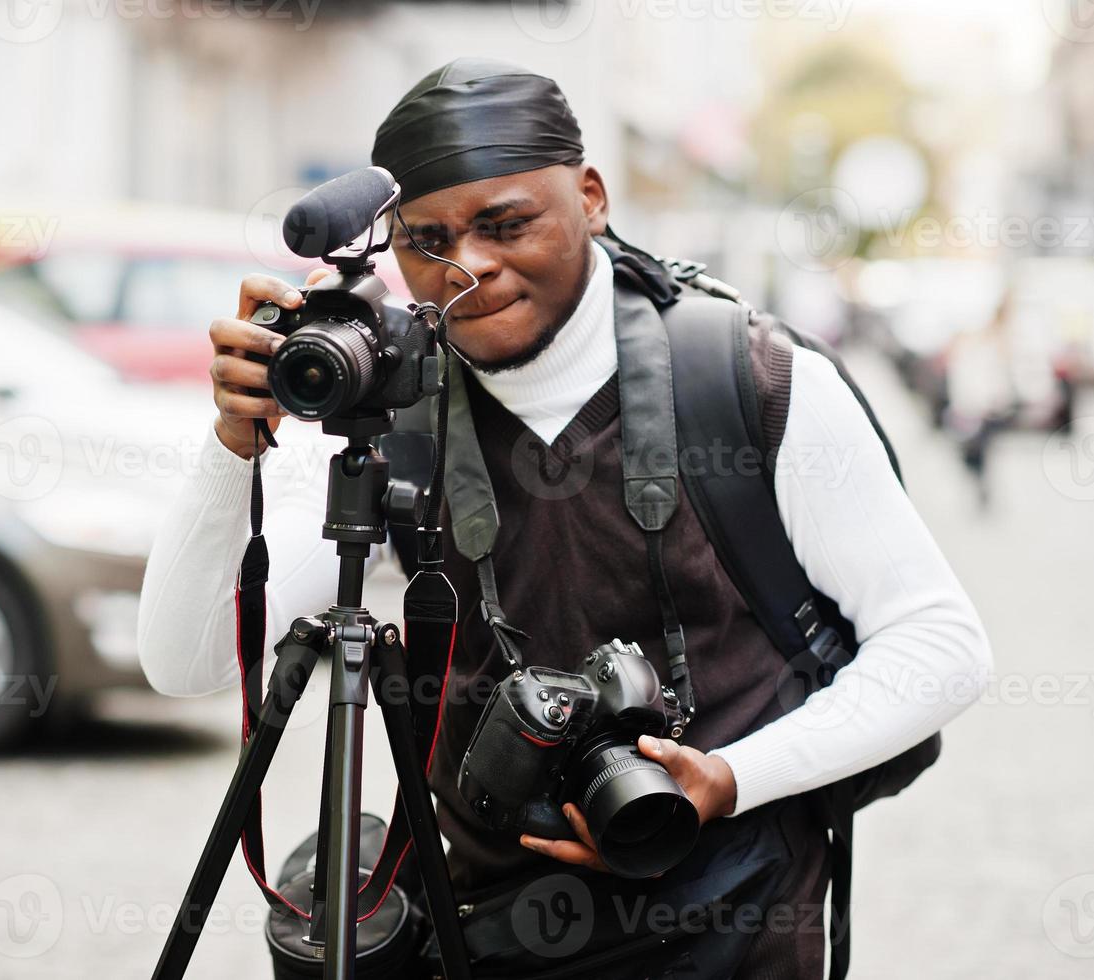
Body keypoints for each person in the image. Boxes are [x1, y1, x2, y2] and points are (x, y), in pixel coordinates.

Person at [138, 58, 992, 978]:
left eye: (507, 224)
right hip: (487, 932)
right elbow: (183, 661)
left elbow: (938, 645)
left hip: (732, 925)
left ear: (589, 196)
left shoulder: (747, 384)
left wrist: (729, 781)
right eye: (427, 240)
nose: (468, 266)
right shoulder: (393, 417)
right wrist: (233, 446)